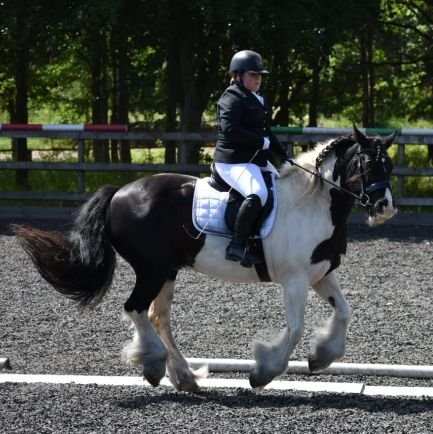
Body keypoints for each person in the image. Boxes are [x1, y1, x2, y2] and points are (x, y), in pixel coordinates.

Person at [213, 49, 292, 267]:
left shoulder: (258, 99)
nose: (257, 79)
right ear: (238, 75)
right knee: (257, 194)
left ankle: (264, 241)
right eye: (252, 74)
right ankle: (236, 245)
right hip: (232, 161)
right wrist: (260, 142)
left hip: (254, 160)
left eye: (259, 75)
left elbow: (268, 132)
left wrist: (284, 155)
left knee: (282, 189)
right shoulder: (231, 97)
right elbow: (229, 130)